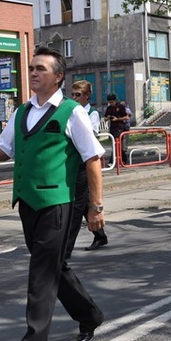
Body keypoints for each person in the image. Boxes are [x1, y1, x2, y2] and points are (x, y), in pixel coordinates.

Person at [0, 47, 104, 341]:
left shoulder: (72, 112)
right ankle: (90, 315)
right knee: (54, 267)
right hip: (27, 203)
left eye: (40, 68)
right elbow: (4, 151)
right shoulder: (21, 112)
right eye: (31, 68)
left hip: (57, 203)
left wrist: (95, 208)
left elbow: (93, 159)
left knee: (40, 278)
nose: (33, 73)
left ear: (58, 76)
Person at [64, 80, 110, 253]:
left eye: (78, 95)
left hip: (85, 164)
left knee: (76, 206)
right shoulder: (69, 111)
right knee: (84, 203)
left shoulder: (92, 113)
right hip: (72, 162)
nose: (74, 98)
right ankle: (100, 235)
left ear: (87, 95)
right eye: (73, 94)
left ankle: (65, 248)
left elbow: (89, 136)